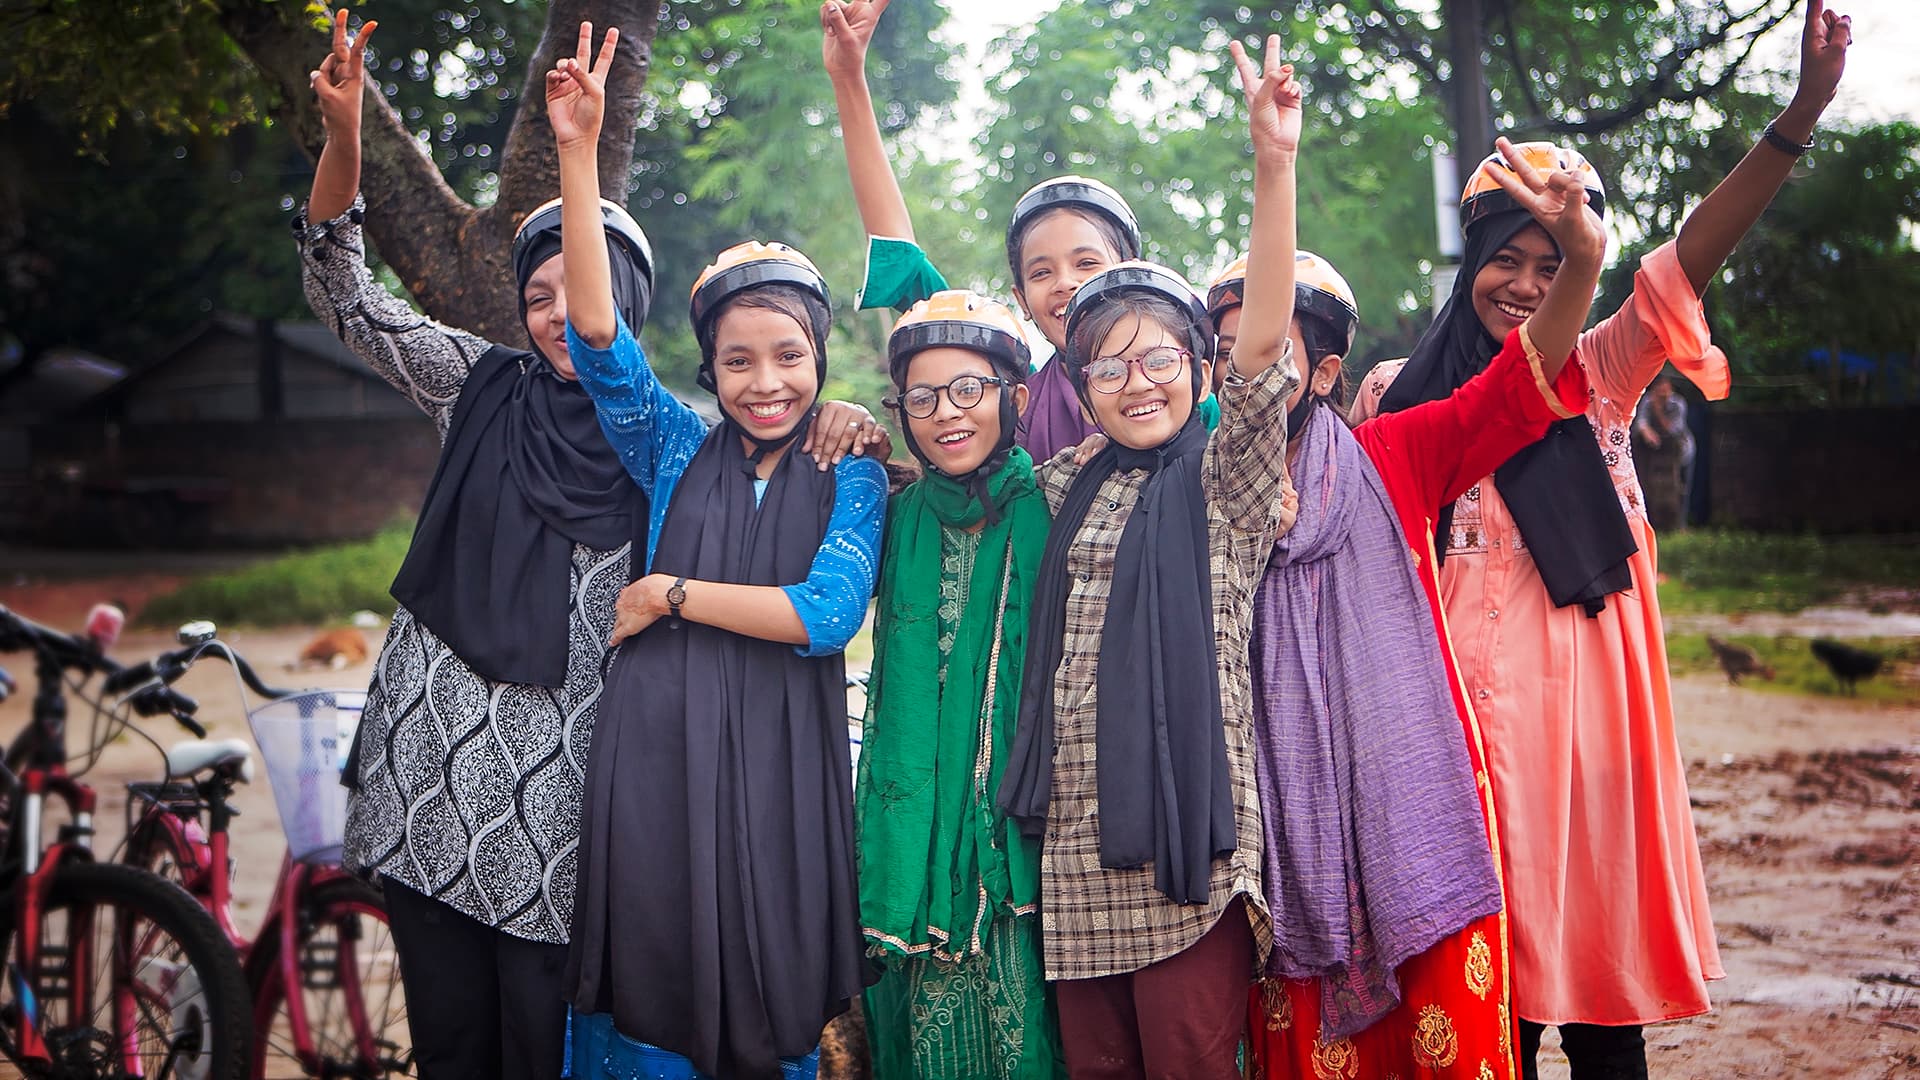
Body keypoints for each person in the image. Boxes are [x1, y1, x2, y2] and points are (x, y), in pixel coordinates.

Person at [1349, 5, 1852, 1074]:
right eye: (1507, 259)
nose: (1527, 286)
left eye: (1552, 263)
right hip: (1453, 735)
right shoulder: (1394, 398)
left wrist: (1799, 114)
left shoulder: (1600, 377)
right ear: (1470, 258)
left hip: (1585, 728)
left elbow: (1689, 259)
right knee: (1490, 1013)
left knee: (1599, 1014)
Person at [299, 12, 652, 1076]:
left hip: (563, 813)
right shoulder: (478, 383)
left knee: (542, 1048)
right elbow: (342, 291)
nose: (555, 315)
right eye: (534, 294)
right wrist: (348, 137)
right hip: (428, 783)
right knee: (451, 1047)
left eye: (577, 292)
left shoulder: (663, 439)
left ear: (622, 299)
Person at [542, 24, 885, 1080]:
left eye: (789, 356)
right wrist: (579, 159)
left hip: (783, 768)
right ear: (711, 370)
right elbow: (599, 336)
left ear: (820, 358)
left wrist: (673, 591)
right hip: (658, 756)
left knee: (768, 988)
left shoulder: (854, 467)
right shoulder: (674, 442)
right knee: (650, 978)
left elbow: (825, 614)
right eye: (738, 361)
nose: (765, 381)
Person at [1227, 137, 1606, 1078]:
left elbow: (1518, 386)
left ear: (1322, 374)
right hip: (1277, 818)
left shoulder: (1395, 457)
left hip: (1412, 803)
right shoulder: (1196, 494)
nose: (1248, 370)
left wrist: (1585, 262)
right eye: (1231, 350)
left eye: (1273, 350)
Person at [991, 36, 1300, 1076]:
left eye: (1158, 357)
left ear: (1194, 365)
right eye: (1106, 365)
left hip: (1187, 851)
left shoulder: (1229, 474)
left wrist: (1272, 167)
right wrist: (851, 421)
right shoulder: (1059, 481)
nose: (1135, 383)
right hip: (1074, 854)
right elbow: (948, 421)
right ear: (1074, 381)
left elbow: (1260, 361)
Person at [821, 0, 1221, 463]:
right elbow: (904, 258)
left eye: (1088, 263)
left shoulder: (1187, 392)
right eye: (1041, 272)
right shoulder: (1014, 397)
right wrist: (848, 77)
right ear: (1022, 299)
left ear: (1130, 274)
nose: (1067, 282)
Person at [856, 289, 1063, 1079]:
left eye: (968, 390)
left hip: (1025, 850)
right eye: (922, 396)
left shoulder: (1057, 504)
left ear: (1014, 398)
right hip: (916, 851)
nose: (947, 412)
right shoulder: (892, 514)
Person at [1632, 373, 1693, 531]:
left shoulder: (1678, 403)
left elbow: (1674, 430)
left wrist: (1658, 410)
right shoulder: (1647, 401)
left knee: (1682, 486)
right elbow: (1641, 423)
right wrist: (1647, 432)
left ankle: (1681, 525)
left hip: (1682, 451)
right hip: (1656, 453)